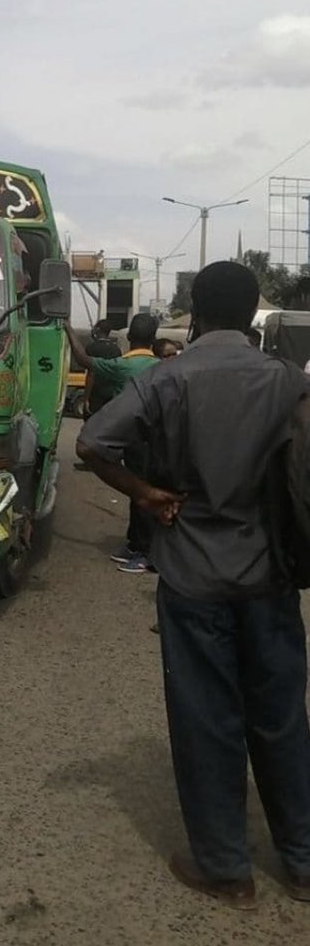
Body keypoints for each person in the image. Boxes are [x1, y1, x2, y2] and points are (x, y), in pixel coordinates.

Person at [77, 261, 310, 910]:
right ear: (249, 312)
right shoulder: (288, 382)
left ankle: (223, 868)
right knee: (282, 718)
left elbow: (93, 443)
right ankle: (302, 862)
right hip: (271, 577)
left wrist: (148, 495)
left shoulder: (166, 379)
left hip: (193, 577)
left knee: (207, 720)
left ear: (198, 314)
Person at [66, 313, 160, 571]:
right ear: (153, 339)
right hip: (155, 440)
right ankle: (134, 543)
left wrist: (68, 329)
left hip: (135, 439)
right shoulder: (161, 365)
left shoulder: (121, 366)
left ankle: (147, 554)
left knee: (140, 493)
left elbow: (83, 359)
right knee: (138, 491)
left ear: (129, 337)